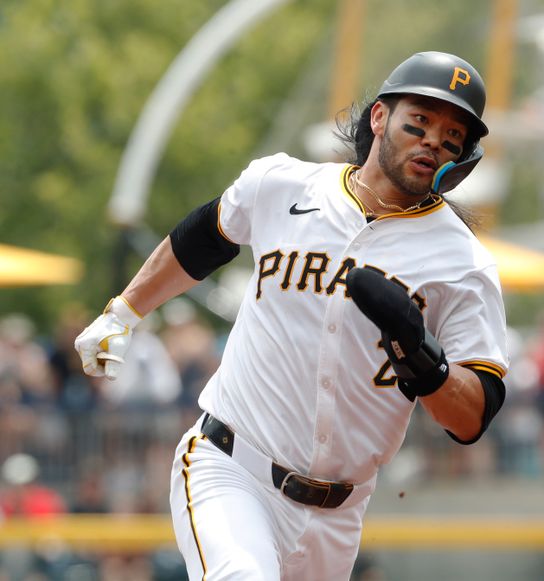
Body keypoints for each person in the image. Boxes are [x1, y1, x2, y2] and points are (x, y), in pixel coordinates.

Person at [75, 51, 508, 580]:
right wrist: (123, 311)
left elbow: (473, 416)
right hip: (231, 467)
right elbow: (205, 238)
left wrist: (421, 355)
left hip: (338, 516)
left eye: (452, 135)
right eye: (419, 121)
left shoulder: (462, 262)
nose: (433, 141)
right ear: (379, 117)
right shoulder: (285, 185)